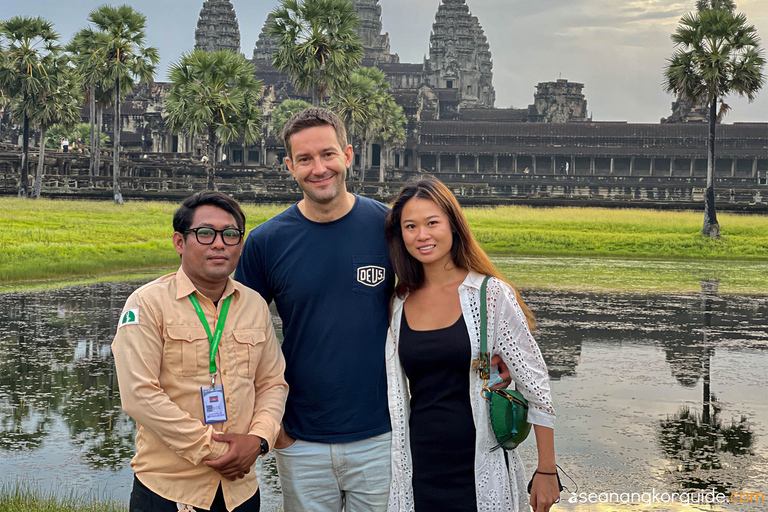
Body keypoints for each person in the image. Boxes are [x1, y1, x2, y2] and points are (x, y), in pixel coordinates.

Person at [235, 108, 510, 512]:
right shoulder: (266, 242)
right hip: (299, 437)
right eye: (305, 159)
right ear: (289, 166)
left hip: (385, 436)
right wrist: (272, 431)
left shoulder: (389, 229)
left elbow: (442, 294)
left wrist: (485, 357)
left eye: (327, 154)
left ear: (348, 155)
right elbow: (241, 341)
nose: (319, 168)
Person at [384, 175, 560, 512]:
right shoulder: (398, 302)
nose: (422, 235)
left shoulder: (489, 295)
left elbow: (535, 384)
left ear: (453, 224)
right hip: (417, 467)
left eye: (432, 222)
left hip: (480, 464)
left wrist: (547, 469)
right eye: (410, 226)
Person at [112, 191, 288, 512]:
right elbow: (139, 395)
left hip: (241, 490)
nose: (219, 244)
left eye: (230, 235)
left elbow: (272, 383)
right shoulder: (147, 304)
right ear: (180, 242)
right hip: (170, 490)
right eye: (205, 233)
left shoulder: (254, 306)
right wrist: (213, 450)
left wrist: (259, 440)